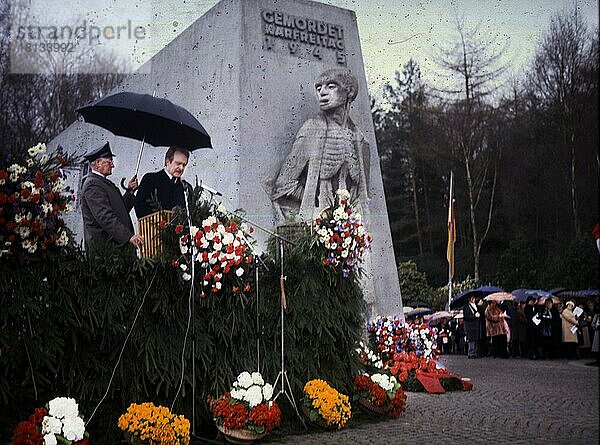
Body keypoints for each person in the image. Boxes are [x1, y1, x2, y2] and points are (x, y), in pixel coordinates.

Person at [270, 68, 370, 220]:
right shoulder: (312, 129)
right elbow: (283, 185)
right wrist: (313, 203)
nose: (322, 92)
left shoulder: (359, 140)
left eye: (331, 86)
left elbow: (363, 193)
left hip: (353, 229)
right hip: (318, 226)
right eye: (319, 88)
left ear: (349, 91)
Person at [80, 142, 144, 252]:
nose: (113, 165)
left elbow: (119, 211)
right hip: (106, 251)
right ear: (98, 163)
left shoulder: (102, 183)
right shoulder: (93, 185)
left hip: (114, 248)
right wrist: (128, 237)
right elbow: (105, 217)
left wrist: (130, 192)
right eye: (109, 162)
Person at [134, 147, 193, 219]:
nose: (181, 168)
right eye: (178, 163)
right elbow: (140, 209)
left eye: (184, 165)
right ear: (167, 161)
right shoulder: (150, 179)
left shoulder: (187, 188)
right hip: (153, 228)